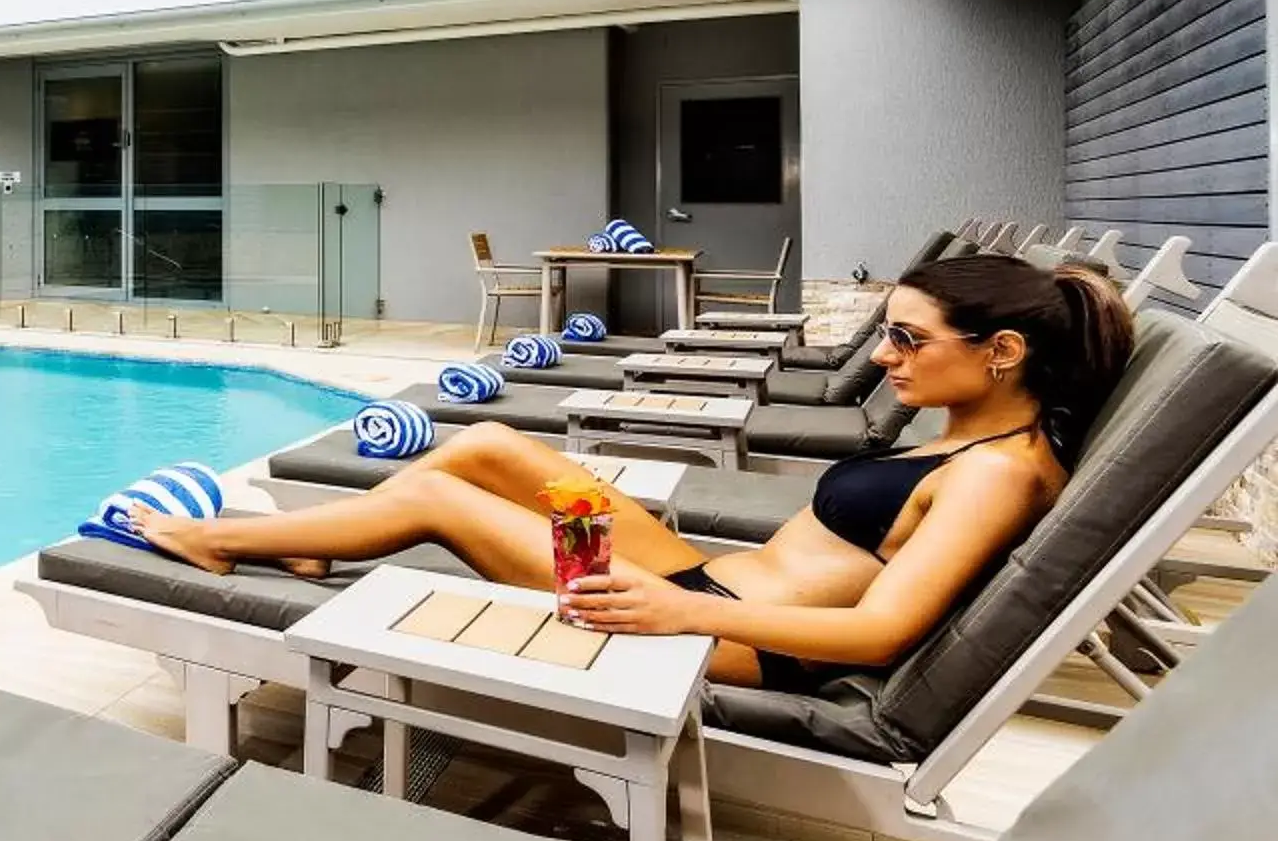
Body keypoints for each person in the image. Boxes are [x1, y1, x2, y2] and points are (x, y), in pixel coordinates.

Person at [131, 255, 1133, 688]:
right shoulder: (972, 426)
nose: (884, 354)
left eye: (908, 338)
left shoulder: (996, 474)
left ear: (1001, 349)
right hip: (697, 579)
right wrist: (690, 592)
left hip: (716, 632)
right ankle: (314, 546)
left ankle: (215, 538)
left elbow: (877, 633)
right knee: (486, 448)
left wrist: (680, 614)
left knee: (439, 493)